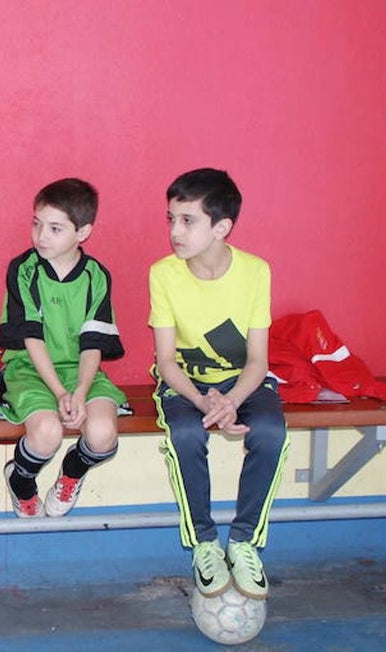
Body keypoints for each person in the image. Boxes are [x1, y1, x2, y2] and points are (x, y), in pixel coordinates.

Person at [148, 168, 289, 601]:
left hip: (241, 380)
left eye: (187, 220)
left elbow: (258, 361)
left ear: (221, 227)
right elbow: (167, 362)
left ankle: (244, 541)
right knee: (186, 434)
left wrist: (229, 401)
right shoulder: (163, 274)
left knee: (270, 432)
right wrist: (205, 402)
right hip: (186, 382)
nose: (175, 230)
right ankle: (205, 544)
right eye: (171, 218)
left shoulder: (255, 272)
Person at [0, 178, 126, 519]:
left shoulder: (96, 276)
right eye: (37, 224)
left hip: (80, 371)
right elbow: (32, 338)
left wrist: (80, 391)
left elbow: (92, 343)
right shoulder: (24, 270)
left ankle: (71, 473)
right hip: (29, 369)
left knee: (102, 434)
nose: (41, 236)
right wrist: (59, 393)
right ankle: (20, 479)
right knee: (48, 432)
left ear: (82, 233)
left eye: (55, 228)